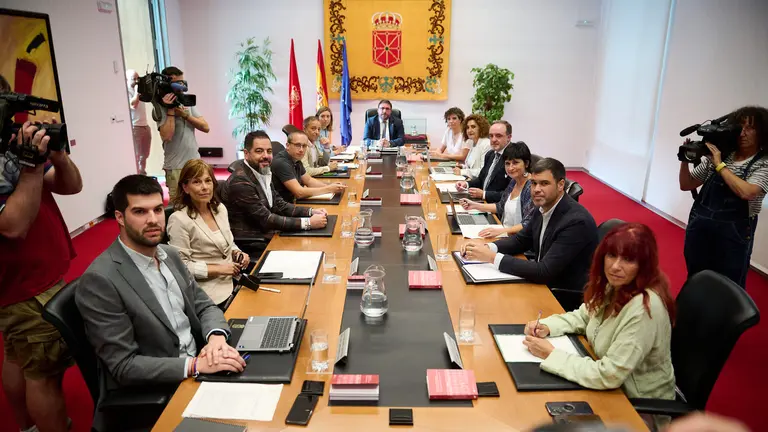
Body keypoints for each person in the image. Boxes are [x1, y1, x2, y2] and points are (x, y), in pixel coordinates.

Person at [76, 175, 246, 427]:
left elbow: (204, 305)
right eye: (140, 211)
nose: (153, 219)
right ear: (120, 217)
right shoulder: (100, 281)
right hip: (165, 386)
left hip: (202, 361)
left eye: (157, 209)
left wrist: (216, 339)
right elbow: (124, 366)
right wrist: (195, 365)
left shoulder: (170, 255)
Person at [523, 223, 676, 431]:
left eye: (628, 259)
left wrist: (552, 354)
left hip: (634, 406)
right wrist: (548, 326)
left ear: (644, 265)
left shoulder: (643, 309)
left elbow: (609, 375)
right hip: (605, 383)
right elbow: (585, 315)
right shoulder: (615, 284)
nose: (615, 266)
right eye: (611, 256)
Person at [0, 120, 82, 432]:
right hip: (25, 284)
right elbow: (13, 225)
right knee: (44, 374)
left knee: (18, 355)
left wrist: (58, 155)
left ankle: (27, 427)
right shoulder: (20, 158)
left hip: (31, 279)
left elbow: (72, 185)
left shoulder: (12, 148)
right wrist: (32, 166)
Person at [461, 158, 598, 298]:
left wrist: (492, 257)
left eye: (544, 184)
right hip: (541, 283)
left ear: (561, 185)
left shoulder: (576, 221)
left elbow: (545, 271)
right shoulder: (543, 206)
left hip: (560, 295)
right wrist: (487, 247)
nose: (537, 189)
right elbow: (520, 241)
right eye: (533, 183)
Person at [680, 106, 768, 289]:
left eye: (750, 128)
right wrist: (685, 160)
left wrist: (719, 165)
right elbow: (686, 184)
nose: (743, 133)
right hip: (700, 229)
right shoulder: (722, 155)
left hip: (734, 235)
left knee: (729, 286)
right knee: (696, 278)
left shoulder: (763, 163)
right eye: (740, 127)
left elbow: (747, 191)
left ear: (762, 132)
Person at [220, 131, 328, 258]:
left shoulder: (263, 171)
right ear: (246, 153)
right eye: (259, 151)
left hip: (269, 233)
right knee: (313, 251)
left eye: (269, 151)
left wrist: (310, 212)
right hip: (253, 243)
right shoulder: (240, 181)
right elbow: (266, 219)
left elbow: (278, 204)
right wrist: (308, 223)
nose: (266, 156)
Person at [167, 159, 250, 308]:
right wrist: (219, 269)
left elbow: (229, 243)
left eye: (208, 181)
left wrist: (238, 252)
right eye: (197, 182)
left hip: (233, 282)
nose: (205, 187)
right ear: (185, 187)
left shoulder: (220, 209)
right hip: (207, 294)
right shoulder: (179, 220)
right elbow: (181, 267)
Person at [156, 66, 210, 198]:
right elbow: (167, 136)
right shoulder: (160, 107)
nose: (180, 86)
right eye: (176, 83)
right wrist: (170, 110)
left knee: (200, 201)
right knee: (178, 206)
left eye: (182, 82)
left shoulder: (186, 101)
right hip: (175, 166)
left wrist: (186, 115)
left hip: (194, 161)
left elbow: (205, 127)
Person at [461, 141, 534, 238]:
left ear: (526, 163)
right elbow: (500, 206)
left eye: (515, 163)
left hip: (519, 242)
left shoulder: (531, 187)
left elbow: (528, 224)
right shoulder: (514, 181)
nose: (510, 168)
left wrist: (501, 231)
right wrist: (474, 205)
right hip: (505, 234)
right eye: (507, 163)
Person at [271, 131, 346, 202]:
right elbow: (299, 192)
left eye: (304, 146)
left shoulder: (296, 159)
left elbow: (309, 181)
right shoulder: (281, 163)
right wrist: (328, 189)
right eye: (297, 145)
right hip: (283, 208)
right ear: (288, 146)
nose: (301, 150)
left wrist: (331, 185)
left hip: (292, 203)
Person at [456, 120, 513, 203]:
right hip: (483, 202)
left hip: (497, 209)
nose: (493, 139)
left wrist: (484, 194)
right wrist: (466, 184)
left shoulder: (513, 159)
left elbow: (511, 194)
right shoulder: (490, 154)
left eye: (498, 136)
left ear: (509, 137)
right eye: (491, 136)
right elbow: (481, 179)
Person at [127, 69, 151, 175]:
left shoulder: (141, 90)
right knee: (136, 155)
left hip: (145, 125)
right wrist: (137, 91)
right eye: (134, 79)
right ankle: (136, 175)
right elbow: (133, 104)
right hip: (135, 127)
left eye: (138, 78)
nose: (137, 81)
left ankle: (142, 173)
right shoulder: (126, 91)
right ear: (127, 80)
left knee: (144, 154)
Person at [454, 114, 492, 179]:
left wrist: (462, 172)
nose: (469, 130)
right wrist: (462, 166)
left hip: (478, 185)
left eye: (473, 127)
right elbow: (471, 166)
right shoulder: (473, 142)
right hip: (469, 180)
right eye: (467, 127)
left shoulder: (486, 144)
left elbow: (483, 171)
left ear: (481, 128)